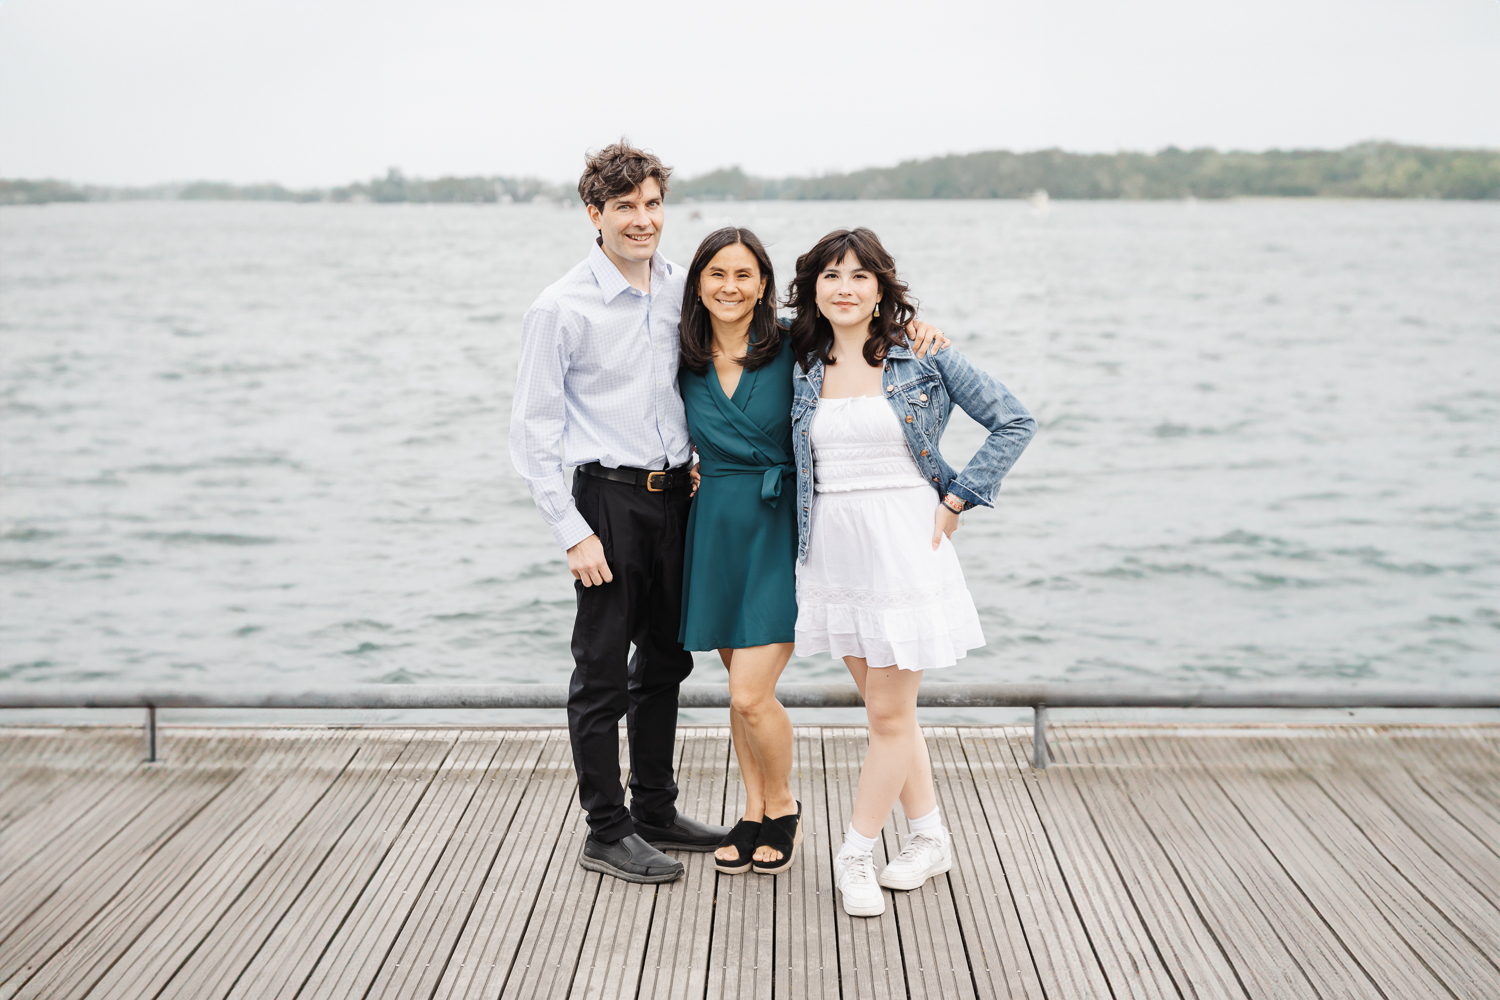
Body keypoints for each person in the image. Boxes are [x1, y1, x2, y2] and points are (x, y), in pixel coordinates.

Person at [676, 227, 951, 876]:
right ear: (697, 284)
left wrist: (913, 328)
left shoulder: (794, 342)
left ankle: (786, 807)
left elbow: (853, 314)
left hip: (781, 526)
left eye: (745, 275)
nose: (730, 287)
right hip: (713, 526)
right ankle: (754, 808)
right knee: (735, 688)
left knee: (750, 693)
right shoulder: (682, 352)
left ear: (766, 285)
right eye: (716, 274)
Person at [786, 227, 1036, 916]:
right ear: (811, 286)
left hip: (903, 546)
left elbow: (1014, 420)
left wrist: (959, 497)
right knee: (886, 715)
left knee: (889, 716)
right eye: (830, 275)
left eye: (860, 276)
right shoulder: (798, 359)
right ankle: (929, 838)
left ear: (881, 286)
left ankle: (855, 852)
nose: (844, 288)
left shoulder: (921, 354)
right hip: (834, 551)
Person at [510, 142, 729, 884]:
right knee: (601, 671)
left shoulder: (679, 288)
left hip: (677, 499)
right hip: (605, 504)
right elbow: (533, 434)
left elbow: (733, 347)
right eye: (626, 207)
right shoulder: (560, 307)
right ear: (594, 213)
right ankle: (606, 830)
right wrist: (572, 534)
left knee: (666, 660)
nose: (643, 220)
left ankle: (655, 809)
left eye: (653, 204)